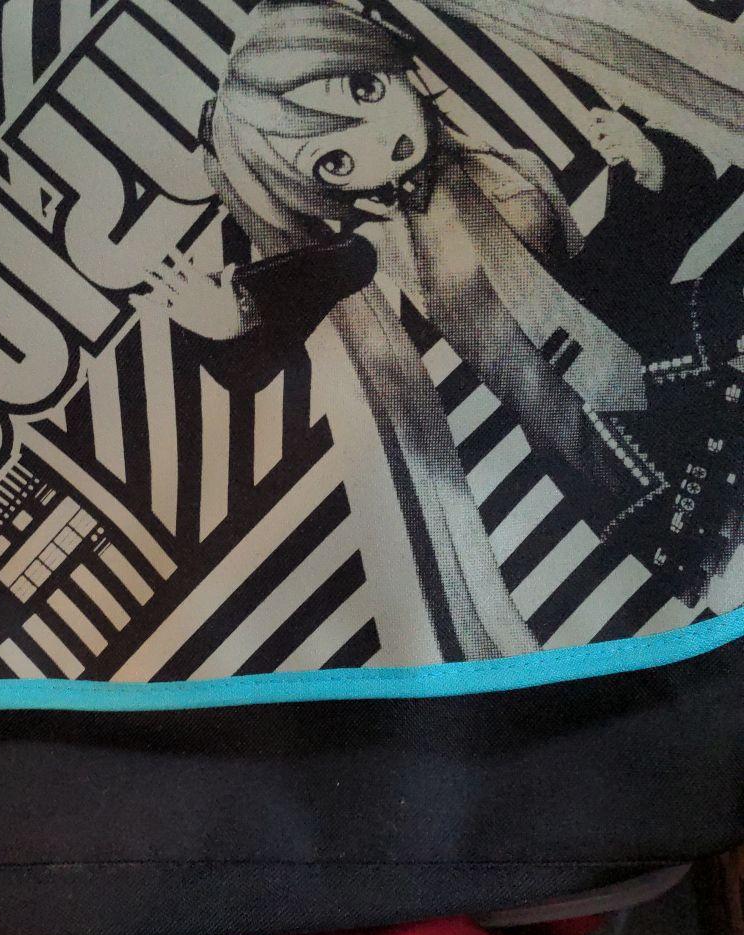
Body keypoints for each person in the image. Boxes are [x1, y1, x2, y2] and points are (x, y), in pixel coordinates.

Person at [132, 0, 742, 657]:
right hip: (597, 443)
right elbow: (308, 289)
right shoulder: (376, 244)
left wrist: (651, 173)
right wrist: (238, 319)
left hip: (658, 359)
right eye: (333, 159)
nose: (376, 140)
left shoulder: (501, 164)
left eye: (366, 89)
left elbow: (609, 274)